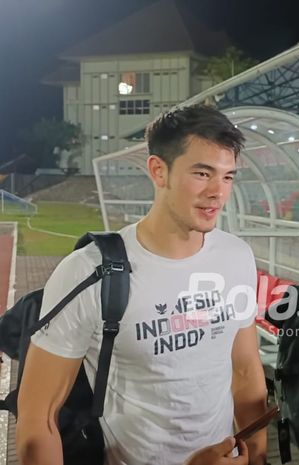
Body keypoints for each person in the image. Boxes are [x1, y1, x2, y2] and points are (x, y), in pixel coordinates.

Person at [16, 105, 268, 465]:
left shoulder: (237, 256)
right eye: (202, 173)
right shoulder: (90, 271)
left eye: (228, 177)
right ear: (158, 170)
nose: (218, 192)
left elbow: (244, 368)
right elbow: (38, 418)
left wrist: (257, 456)